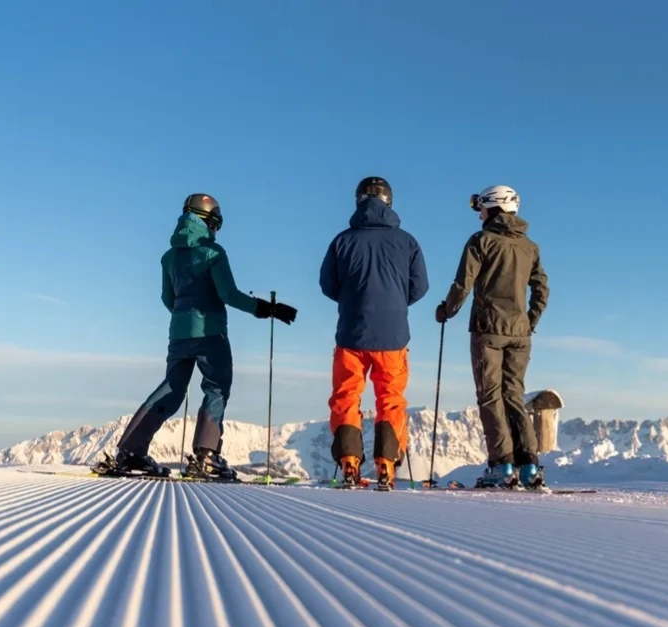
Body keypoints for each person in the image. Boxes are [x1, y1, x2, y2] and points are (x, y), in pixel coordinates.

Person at [94, 193, 298, 480]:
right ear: (210, 220)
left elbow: (168, 298)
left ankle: (130, 452)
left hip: (178, 335)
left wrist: (183, 319)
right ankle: (206, 456)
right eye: (217, 224)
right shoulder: (214, 253)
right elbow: (229, 295)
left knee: (171, 389)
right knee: (216, 387)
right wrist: (267, 309)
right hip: (211, 332)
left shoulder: (168, 257)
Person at [435, 184, 549, 489]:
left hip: (488, 330)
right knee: (514, 395)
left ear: (494, 207)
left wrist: (447, 310)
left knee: (490, 396)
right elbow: (542, 289)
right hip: (520, 333)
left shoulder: (481, 241)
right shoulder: (530, 247)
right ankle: (530, 468)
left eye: (481, 208)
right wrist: (529, 320)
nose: (479, 215)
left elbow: (463, 284)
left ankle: (501, 466)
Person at [320, 177, 428, 488]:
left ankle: (349, 463)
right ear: (389, 201)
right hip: (393, 337)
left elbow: (328, 285)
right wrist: (395, 301)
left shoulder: (342, 240)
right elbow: (419, 287)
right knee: (391, 398)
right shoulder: (407, 242)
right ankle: (386, 466)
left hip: (351, 334)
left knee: (346, 395)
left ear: (358, 201)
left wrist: (353, 300)